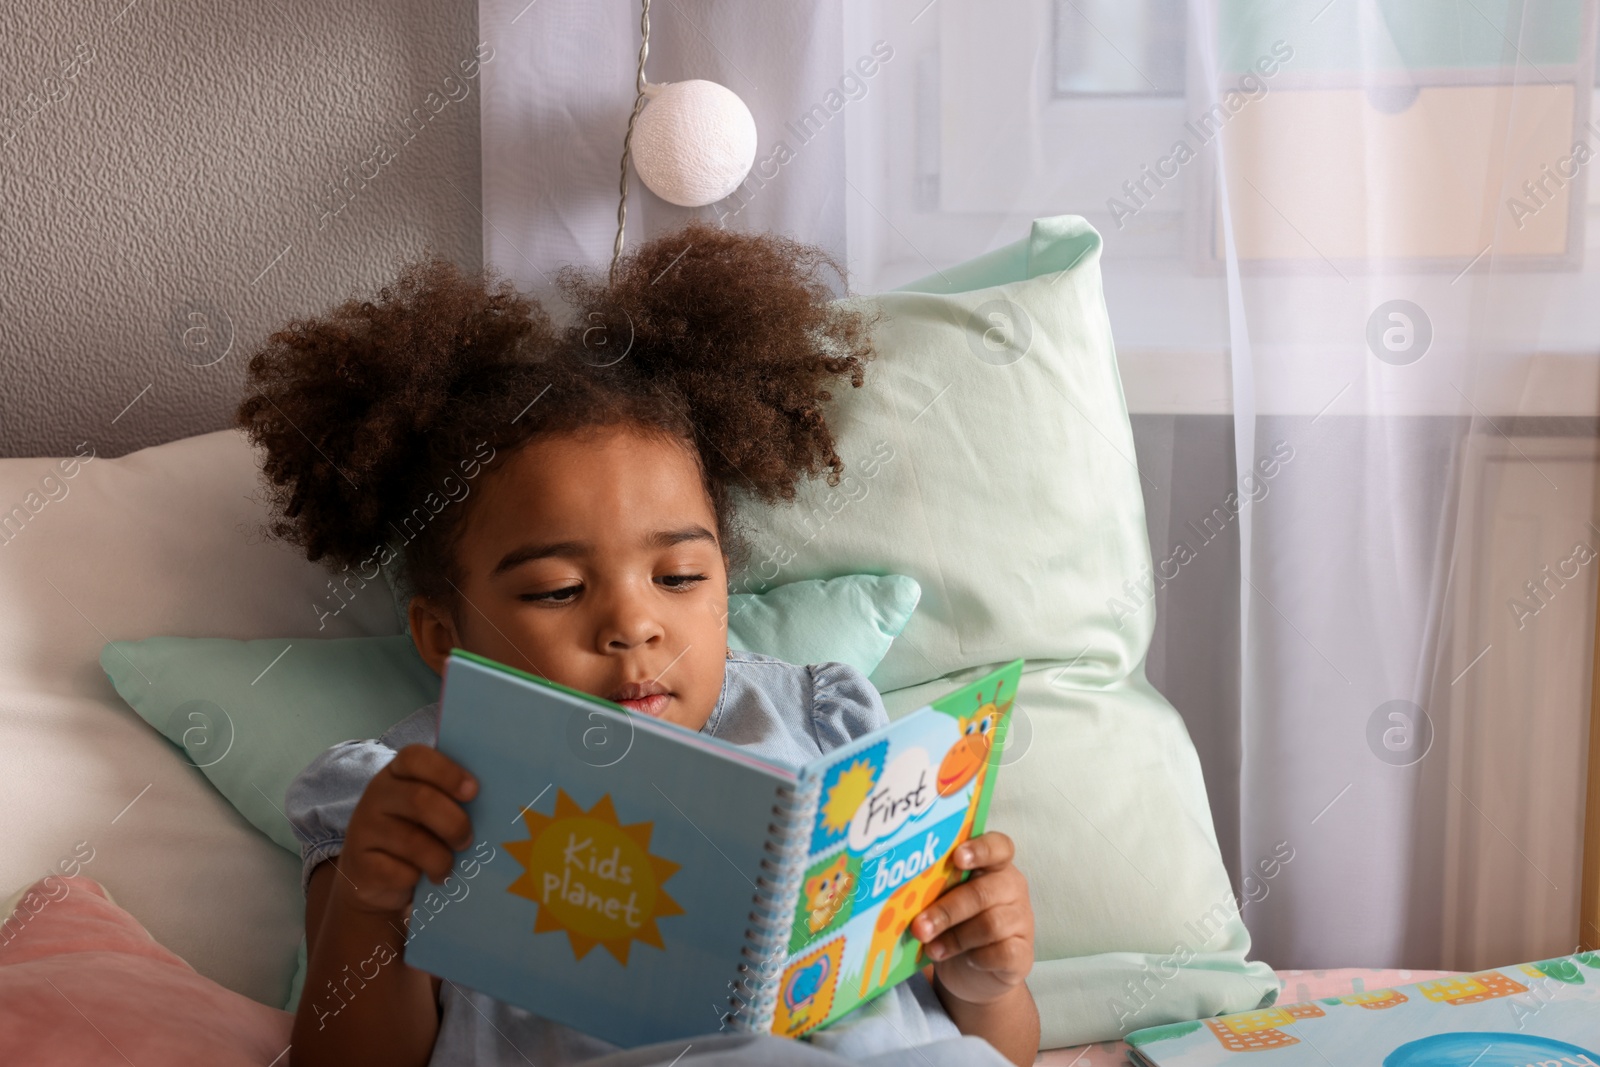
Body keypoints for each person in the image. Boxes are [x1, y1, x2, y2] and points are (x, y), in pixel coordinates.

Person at [237, 222, 1039, 1067]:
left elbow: (1007, 1051)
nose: (634, 625)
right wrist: (370, 903)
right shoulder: (403, 796)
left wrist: (988, 982)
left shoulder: (823, 727)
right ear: (444, 635)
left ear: (727, 587)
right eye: (558, 590)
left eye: (681, 577)